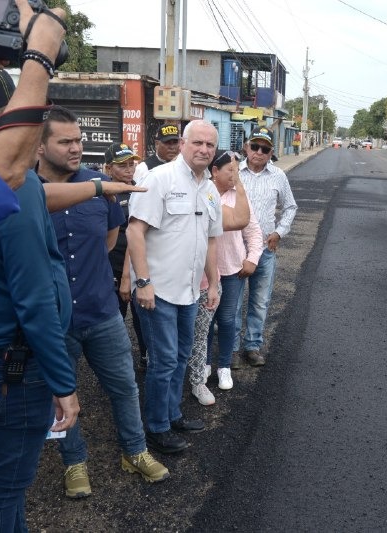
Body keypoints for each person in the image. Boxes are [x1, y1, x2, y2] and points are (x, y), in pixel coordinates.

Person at [0, 3, 81, 531]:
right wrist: (64, 381)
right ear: (21, 125)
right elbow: (34, 298)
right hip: (13, 366)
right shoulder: (13, 182)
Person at [37, 108, 169, 498]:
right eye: (65, 141)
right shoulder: (26, 191)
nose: (76, 147)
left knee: (125, 387)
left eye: (78, 140)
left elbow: (111, 240)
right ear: (40, 145)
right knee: (62, 397)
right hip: (54, 321)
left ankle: (136, 451)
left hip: (103, 312)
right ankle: (74, 462)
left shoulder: (101, 185)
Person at [127, 120, 248, 453]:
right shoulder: (160, 179)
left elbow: (210, 241)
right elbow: (134, 232)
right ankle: (156, 427)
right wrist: (143, 282)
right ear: (183, 144)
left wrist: (214, 283)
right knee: (164, 360)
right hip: (159, 291)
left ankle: (172, 414)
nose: (204, 150)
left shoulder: (209, 188)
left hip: (191, 291)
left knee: (181, 356)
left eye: (210, 145)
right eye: (198, 143)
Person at [187, 150, 262, 405]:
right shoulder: (203, 192)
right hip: (204, 272)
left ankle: (224, 366)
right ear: (214, 171)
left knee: (227, 319)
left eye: (237, 170)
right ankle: (205, 363)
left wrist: (252, 258)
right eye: (230, 170)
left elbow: (253, 230)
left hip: (231, 271)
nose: (234, 175)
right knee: (204, 320)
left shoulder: (239, 196)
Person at [232, 126, 298, 368]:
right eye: (255, 146)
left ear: (271, 153)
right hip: (236, 249)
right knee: (234, 302)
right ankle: (232, 348)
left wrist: (279, 232)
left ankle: (252, 345)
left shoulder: (278, 176)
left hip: (265, 251)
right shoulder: (234, 172)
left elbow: (290, 207)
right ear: (247, 147)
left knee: (260, 301)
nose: (259, 152)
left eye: (265, 149)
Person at [104, 142, 149, 369]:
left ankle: (145, 356)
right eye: (122, 165)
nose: (129, 169)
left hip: (137, 268)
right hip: (110, 267)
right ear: (108, 169)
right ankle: (115, 365)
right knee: (114, 320)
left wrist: (129, 276)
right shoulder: (101, 194)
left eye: (132, 164)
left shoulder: (141, 191)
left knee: (143, 317)